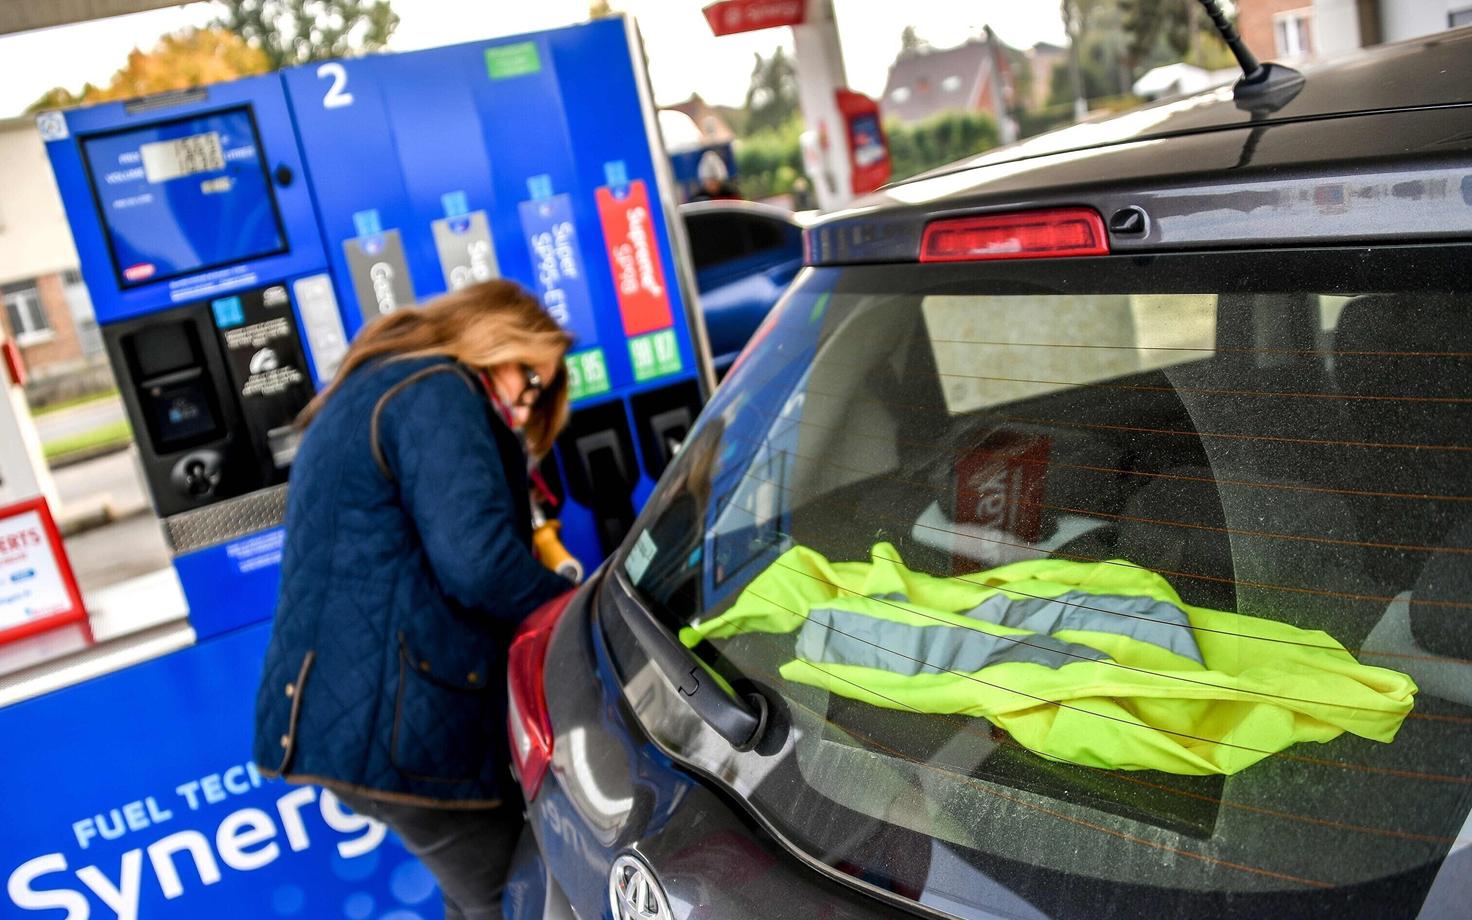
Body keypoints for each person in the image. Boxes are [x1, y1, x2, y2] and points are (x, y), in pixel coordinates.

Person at [253, 280, 575, 919]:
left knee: (486, 894)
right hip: (404, 719)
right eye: (530, 378)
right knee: (520, 899)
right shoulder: (436, 391)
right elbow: (479, 565)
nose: (524, 399)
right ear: (495, 337)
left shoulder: (385, 383)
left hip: (360, 710)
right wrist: (573, 607)